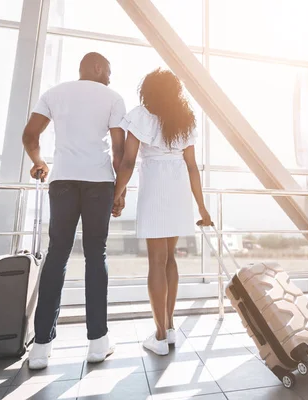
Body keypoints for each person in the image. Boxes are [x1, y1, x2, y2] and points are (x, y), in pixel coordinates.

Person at [22, 52, 126, 369]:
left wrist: (39, 163)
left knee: (57, 254)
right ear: (96, 67)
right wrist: (119, 192)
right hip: (99, 182)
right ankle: (97, 342)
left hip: (63, 180)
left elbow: (29, 135)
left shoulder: (54, 94)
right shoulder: (113, 97)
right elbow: (120, 151)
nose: (110, 76)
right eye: (108, 70)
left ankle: (41, 346)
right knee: (96, 255)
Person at [113, 69, 212, 356]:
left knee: (156, 262)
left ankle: (158, 336)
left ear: (148, 90)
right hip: (179, 186)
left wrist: (116, 194)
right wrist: (202, 208)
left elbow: (129, 161)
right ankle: (168, 328)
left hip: (155, 184)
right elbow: (193, 167)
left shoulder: (140, 115)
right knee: (169, 259)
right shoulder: (184, 119)